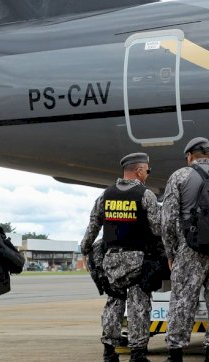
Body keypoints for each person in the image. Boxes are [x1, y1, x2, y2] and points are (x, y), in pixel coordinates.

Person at [160, 137, 209, 362]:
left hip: (190, 250)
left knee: (183, 300)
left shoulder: (180, 177)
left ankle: (175, 353)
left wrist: (171, 253)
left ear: (190, 157)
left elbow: (167, 220)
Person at [80, 152, 161, 362]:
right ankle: (137, 353)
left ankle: (109, 352)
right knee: (138, 306)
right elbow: (158, 228)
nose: (148, 175)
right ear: (139, 170)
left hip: (111, 260)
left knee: (114, 303)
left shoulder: (105, 195)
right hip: (136, 260)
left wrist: (85, 249)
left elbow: (93, 227)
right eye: (147, 171)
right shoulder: (145, 195)